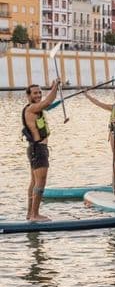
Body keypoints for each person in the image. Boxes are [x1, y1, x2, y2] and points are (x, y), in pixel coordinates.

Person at [21, 80, 60, 221]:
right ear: (28, 95)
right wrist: (55, 87)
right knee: (40, 182)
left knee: (33, 181)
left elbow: (49, 103)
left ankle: (30, 213)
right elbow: (48, 102)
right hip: (38, 149)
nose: (38, 95)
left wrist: (53, 90)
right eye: (35, 93)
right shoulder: (31, 108)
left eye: (39, 93)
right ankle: (35, 214)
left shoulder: (36, 108)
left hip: (35, 149)